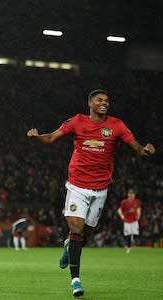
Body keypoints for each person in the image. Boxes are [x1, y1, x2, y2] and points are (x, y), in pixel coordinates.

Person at [27, 89, 155, 297]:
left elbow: (138, 149)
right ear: (90, 104)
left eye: (106, 100)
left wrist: (147, 151)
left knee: (84, 237)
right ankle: (75, 280)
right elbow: (51, 138)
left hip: (100, 189)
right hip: (77, 186)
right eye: (99, 100)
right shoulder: (77, 121)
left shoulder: (117, 125)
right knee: (76, 230)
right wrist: (37, 137)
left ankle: (69, 247)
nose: (104, 103)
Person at [117, 188, 141, 254]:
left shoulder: (137, 201)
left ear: (134, 195)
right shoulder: (124, 202)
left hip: (134, 220)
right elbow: (119, 210)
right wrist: (122, 216)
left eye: (132, 194)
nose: (131, 195)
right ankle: (129, 247)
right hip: (127, 221)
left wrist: (138, 215)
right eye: (130, 194)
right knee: (128, 235)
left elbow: (139, 209)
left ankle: (133, 239)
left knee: (136, 234)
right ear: (128, 195)